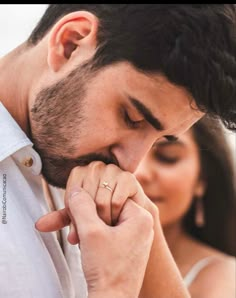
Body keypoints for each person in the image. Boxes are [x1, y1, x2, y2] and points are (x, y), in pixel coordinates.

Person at [1, 4, 236, 297]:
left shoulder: (73, 163)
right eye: (131, 118)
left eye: (161, 141)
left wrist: (149, 243)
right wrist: (114, 289)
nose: (133, 165)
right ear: (70, 43)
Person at [134, 116, 236, 297]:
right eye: (129, 153)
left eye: (167, 157)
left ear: (202, 179)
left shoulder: (225, 278)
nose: (141, 172)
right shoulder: (74, 252)